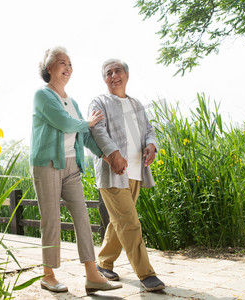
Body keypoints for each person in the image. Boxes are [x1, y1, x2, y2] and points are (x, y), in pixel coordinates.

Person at [30, 47, 122, 295]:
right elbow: (64, 122)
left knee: (82, 217)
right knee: (51, 219)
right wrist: (88, 122)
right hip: (46, 164)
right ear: (50, 68)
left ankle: (92, 275)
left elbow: (83, 134)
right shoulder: (43, 96)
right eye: (62, 63)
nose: (68, 68)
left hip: (72, 165)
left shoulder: (73, 102)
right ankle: (48, 275)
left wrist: (107, 155)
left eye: (70, 63)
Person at [88, 58, 166, 292]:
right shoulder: (99, 101)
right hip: (113, 172)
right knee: (130, 223)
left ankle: (103, 263)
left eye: (117, 71)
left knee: (118, 221)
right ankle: (147, 274)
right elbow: (96, 130)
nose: (114, 76)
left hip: (136, 172)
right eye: (108, 73)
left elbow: (149, 130)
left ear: (127, 74)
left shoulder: (136, 104)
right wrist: (113, 154)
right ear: (105, 79)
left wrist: (151, 146)